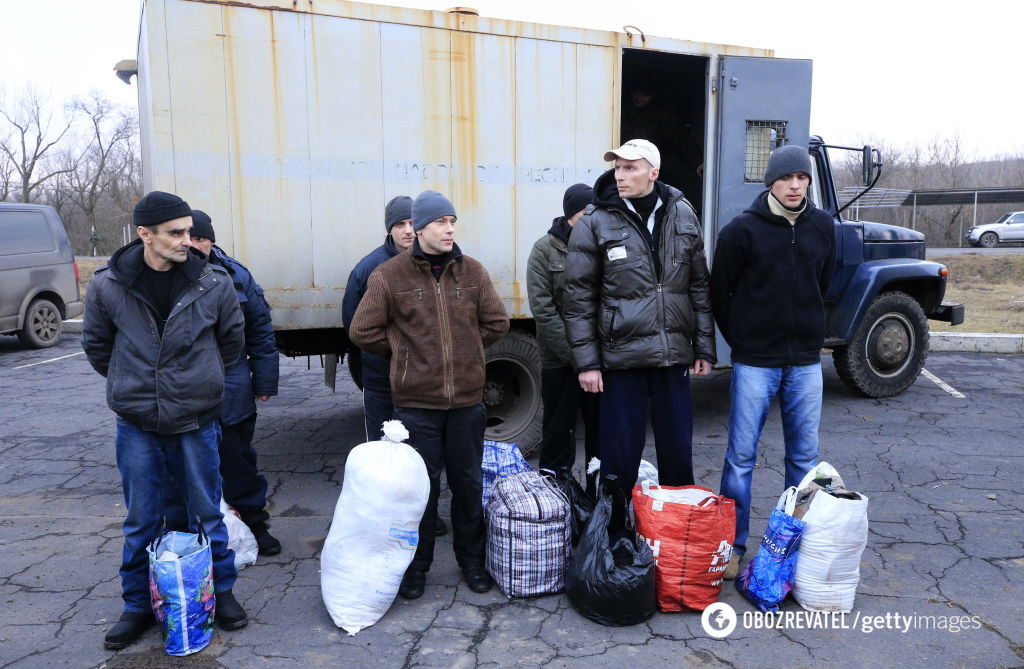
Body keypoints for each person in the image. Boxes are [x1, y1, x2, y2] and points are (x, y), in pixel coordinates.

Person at [82, 191, 248, 649]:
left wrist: (199, 383)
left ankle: (222, 593)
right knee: (141, 519)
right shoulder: (108, 285)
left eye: (190, 231)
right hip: (136, 423)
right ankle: (137, 605)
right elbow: (98, 348)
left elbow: (232, 343)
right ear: (144, 234)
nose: (187, 241)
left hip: (196, 420)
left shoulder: (212, 283)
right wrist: (134, 384)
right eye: (175, 233)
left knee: (207, 513)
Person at [349, 190, 510, 599]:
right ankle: (415, 569)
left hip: (468, 404)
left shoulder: (472, 271)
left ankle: (472, 563)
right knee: (420, 490)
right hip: (417, 405)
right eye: (440, 222)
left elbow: (497, 322)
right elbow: (362, 330)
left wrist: (467, 351)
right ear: (418, 229)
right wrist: (407, 353)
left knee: (468, 486)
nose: (449, 228)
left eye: (452, 221)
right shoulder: (389, 276)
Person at [710, 145, 836, 579]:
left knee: (804, 461)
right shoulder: (741, 231)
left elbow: (825, 283)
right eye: (787, 178)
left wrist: (810, 335)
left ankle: (791, 547)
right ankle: (733, 547)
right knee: (740, 458)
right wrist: (742, 342)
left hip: (804, 362)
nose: (796, 185)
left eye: (802, 177)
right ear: (771, 182)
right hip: (755, 363)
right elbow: (719, 294)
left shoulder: (823, 226)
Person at [564, 139, 716, 499]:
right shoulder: (595, 222)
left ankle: (678, 537)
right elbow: (577, 298)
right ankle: (615, 539)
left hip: (671, 356)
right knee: (619, 460)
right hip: (622, 359)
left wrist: (704, 347)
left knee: (678, 456)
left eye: (630, 167)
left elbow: (698, 285)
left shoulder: (683, 214)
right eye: (617, 167)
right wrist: (587, 363)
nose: (620, 175)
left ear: (653, 172)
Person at [342, 195, 448, 537]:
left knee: (421, 452)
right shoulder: (370, 268)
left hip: (422, 382)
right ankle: (386, 519)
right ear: (390, 229)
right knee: (384, 451)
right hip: (382, 379)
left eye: (409, 223)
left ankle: (425, 516)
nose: (406, 231)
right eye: (398, 225)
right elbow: (356, 327)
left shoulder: (437, 263)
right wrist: (400, 352)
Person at [183, 210, 282, 555]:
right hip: (184, 395)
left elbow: (261, 331)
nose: (195, 246)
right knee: (188, 469)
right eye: (189, 238)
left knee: (239, 463)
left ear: (211, 240)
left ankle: (255, 524)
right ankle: (194, 534)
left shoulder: (236, 275)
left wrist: (265, 381)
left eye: (202, 239)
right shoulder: (168, 278)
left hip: (233, 390)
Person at [526, 183, 600, 495]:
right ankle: (555, 498)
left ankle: (599, 499)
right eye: (586, 213)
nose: (592, 219)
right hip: (560, 360)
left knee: (601, 435)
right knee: (559, 431)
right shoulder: (544, 250)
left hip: (599, 360)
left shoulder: (601, 244)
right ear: (571, 216)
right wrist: (576, 356)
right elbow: (543, 311)